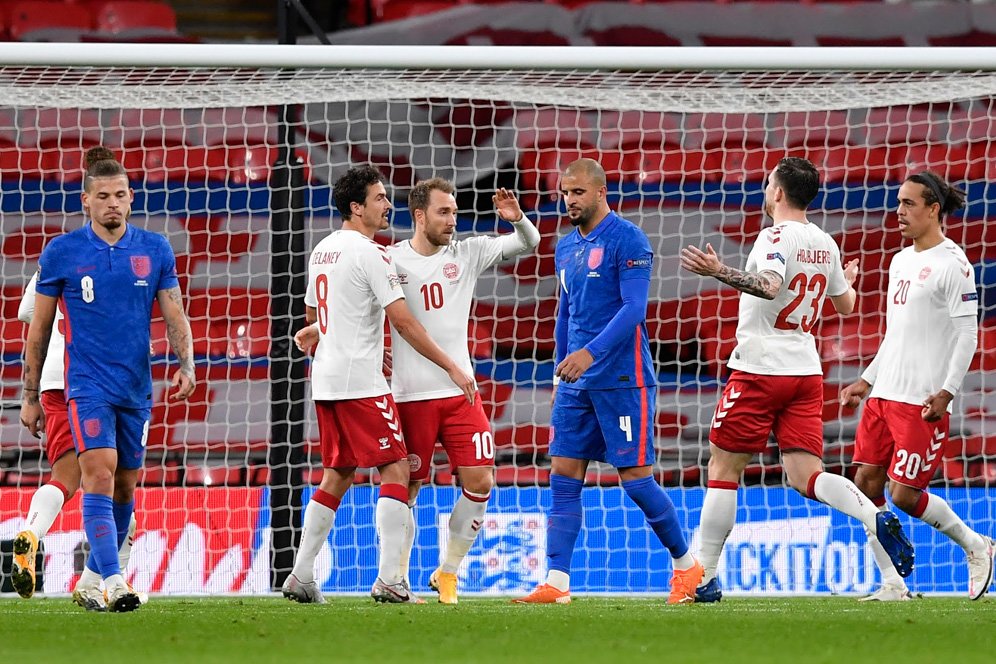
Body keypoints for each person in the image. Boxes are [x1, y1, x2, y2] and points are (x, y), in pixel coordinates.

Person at [680, 156, 916, 603]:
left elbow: (768, 287)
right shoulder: (824, 242)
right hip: (805, 373)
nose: (766, 190)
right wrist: (843, 279)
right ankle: (872, 514)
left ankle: (703, 577)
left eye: (769, 184)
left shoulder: (774, 236)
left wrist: (719, 272)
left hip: (758, 368)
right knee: (806, 475)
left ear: (778, 193)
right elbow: (846, 306)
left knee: (724, 468)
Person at [281, 165, 475, 605]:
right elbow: (404, 322)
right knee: (397, 469)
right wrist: (451, 366)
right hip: (360, 382)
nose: (388, 205)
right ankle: (390, 579)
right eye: (380, 198)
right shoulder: (373, 253)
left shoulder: (323, 250)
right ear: (357, 207)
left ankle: (301, 575)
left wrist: (325, 334)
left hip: (328, 380)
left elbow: (316, 317)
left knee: (338, 474)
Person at [513, 158, 702, 606]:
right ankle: (557, 582)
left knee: (635, 479)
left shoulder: (627, 238)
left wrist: (589, 353)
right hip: (575, 383)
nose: (569, 200)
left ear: (600, 192)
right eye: (564, 192)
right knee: (562, 475)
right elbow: (566, 312)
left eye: (577, 192)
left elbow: (634, 309)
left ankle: (686, 566)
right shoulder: (564, 246)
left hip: (622, 379)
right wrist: (561, 365)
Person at [19, 146, 195, 613]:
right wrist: (31, 394)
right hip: (85, 385)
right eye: (103, 196)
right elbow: (38, 328)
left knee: (125, 486)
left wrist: (187, 363)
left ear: (131, 199)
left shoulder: (154, 248)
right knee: (98, 473)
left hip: (136, 386)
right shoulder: (62, 252)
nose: (112, 203)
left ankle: (91, 579)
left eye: (120, 194)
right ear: (86, 201)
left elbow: (174, 310)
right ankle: (115, 581)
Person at [840, 171, 995, 601]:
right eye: (897, 203)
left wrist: (948, 391)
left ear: (933, 210)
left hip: (921, 400)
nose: (899, 212)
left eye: (908, 204)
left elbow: (969, 334)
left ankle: (976, 545)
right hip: (885, 395)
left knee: (904, 495)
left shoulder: (954, 264)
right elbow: (895, 333)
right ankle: (892, 583)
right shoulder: (900, 260)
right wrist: (867, 380)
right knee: (866, 483)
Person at [12, 273, 141, 609]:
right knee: (113, 488)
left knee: (65, 479)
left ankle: (32, 532)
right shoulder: (115, 261)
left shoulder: (52, 262)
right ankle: (105, 583)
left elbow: (27, 312)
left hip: (53, 378)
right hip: (97, 378)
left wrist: (58, 316)